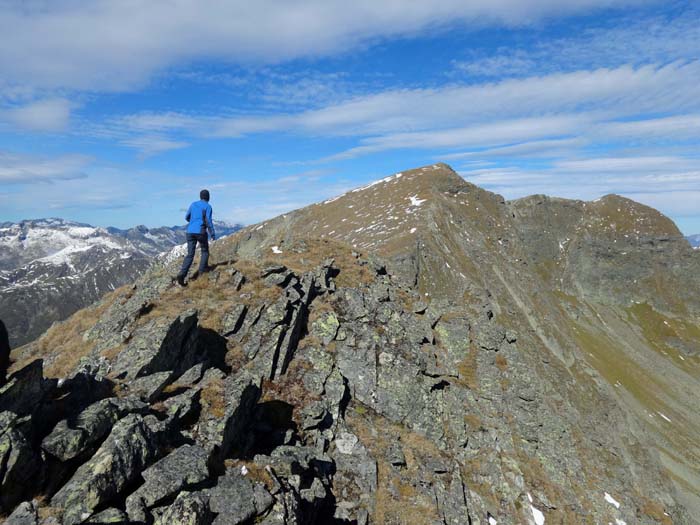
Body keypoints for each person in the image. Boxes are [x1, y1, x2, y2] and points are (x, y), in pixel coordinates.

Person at [177, 189, 216, 286]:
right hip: (200, 231)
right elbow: (209, 221)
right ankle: (201, 273)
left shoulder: (193, 204)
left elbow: (187, 217)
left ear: (200, 196)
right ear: (208, 197)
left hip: (190, 231)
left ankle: (182, 273)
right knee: (205, 251)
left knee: (190, 254)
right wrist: (212, 234)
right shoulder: (208, 206)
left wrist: (193, 221)